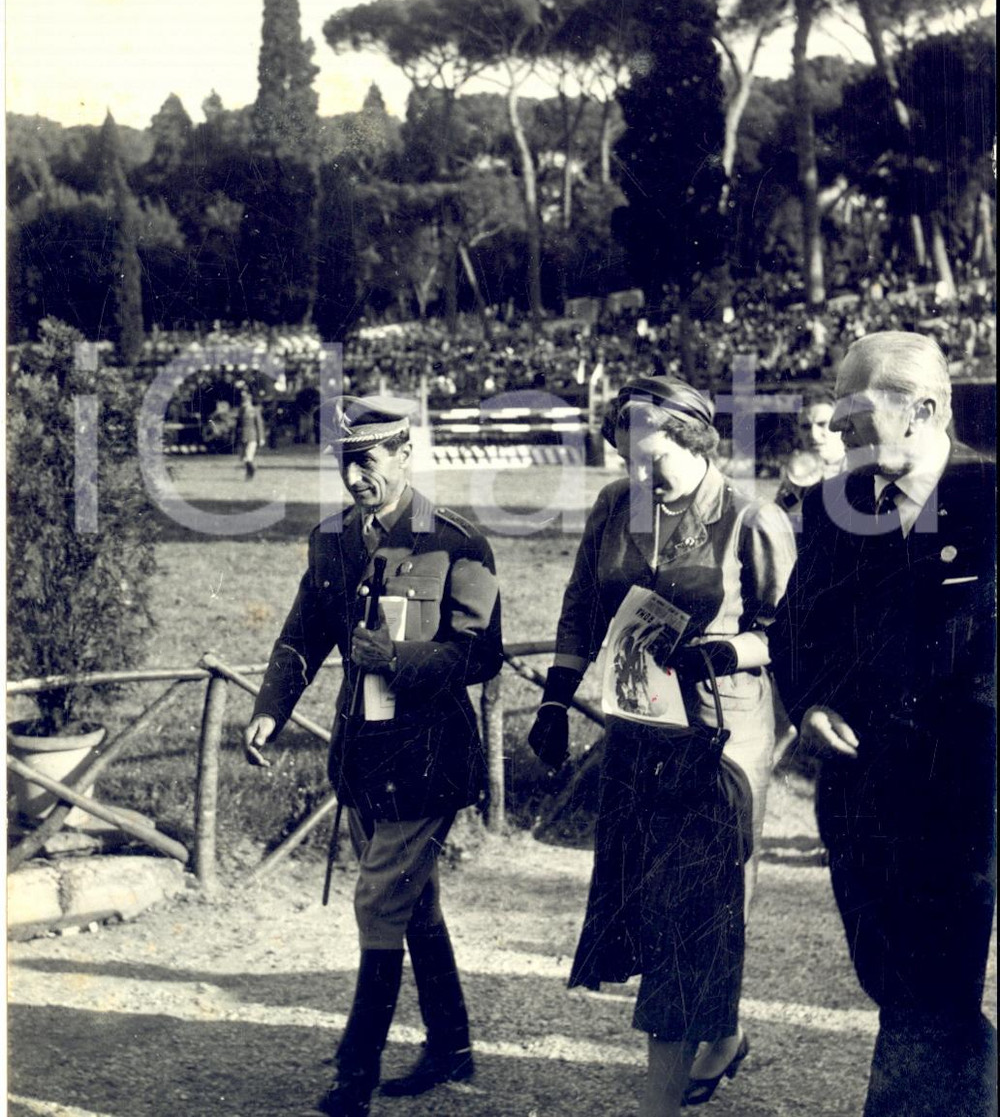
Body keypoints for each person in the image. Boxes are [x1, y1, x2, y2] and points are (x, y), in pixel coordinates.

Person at [528, 376, 796, 1116]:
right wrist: (555, 696)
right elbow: (582, 605)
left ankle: (658, 1103)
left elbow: (791, 632)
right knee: (656, 897)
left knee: (693, 904)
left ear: (687, 435)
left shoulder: (750, 519)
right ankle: (723, 1036)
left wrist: (729, 651)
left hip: (720, 732)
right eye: (624, 446)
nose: (632, 462)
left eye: (644, 446)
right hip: (637, 724)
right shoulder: (616, 505)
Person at [243, 395, 503, 1117]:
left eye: (368, 461)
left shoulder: (457, 542)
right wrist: (270, 708)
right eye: (345, 463)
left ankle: (354, 1077)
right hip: (362, 759)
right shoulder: (331, 541)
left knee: (379, 900)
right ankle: (451, 1047)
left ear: (404, 454)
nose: (355, 477)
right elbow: (301, 634)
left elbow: (481, 653)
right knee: (412, 903)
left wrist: (399, 659)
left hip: (429, 760)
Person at [771, 331, 996, 1117]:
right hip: (859, 800)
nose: (836, 429)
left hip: (963, 799)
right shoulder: (834, 508)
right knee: (904, 990)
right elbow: (793, 630)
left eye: (853, 413)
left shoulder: (988, 496)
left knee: (930, 997)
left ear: (922, 410)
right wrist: (809, 701)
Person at [774, 388, 846, 519]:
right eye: (805, 427)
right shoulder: (799, 476)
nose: (813, 435)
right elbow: (780, 521)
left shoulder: (863, 473)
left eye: (822, 424)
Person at [237, 387, 266, 479]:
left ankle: (251, 472)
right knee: (244, 458)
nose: (244, 404)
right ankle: (249, 472)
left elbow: (259, 425)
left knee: (248, 457)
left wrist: (261, 438)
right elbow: (239, 425)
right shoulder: (241, 411)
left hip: (252, 437)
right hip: (243, 437)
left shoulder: (255, 411)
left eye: (245, 402)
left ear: (249, 402)